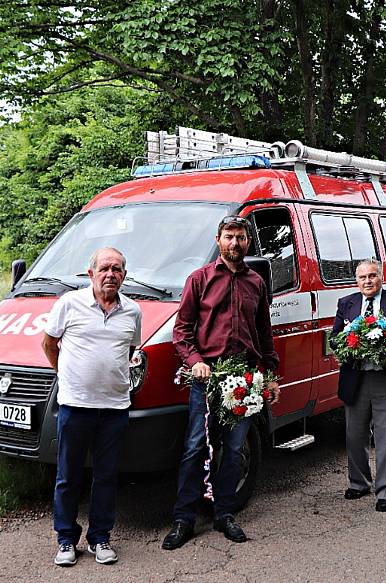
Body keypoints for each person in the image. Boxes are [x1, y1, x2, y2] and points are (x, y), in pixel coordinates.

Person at [162, 215, 280, 550]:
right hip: (207, 378)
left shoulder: (256, 282)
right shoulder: (198, 280)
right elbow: (181, 332)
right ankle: (184, 518)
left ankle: (224, 512)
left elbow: (264, 334)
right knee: (195, 447)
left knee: (234, 448)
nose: (235, 243)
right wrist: (196, 362)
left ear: (248, 242)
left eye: (241, 237)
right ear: (218, 240)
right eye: (229, 236)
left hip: (244, 378)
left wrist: (269, 375)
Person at [41, 247, 142, 566]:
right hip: (75, 406)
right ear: (91, 273)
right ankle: (66, 540)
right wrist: (67, 374)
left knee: (107, 476)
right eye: (104, 269)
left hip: (114, 408)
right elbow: (48, 343)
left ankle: (100, 538)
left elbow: (129, 349)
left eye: (117, 269)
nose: (110, 274)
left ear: (124, 276)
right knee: (68, 476)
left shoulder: (133, 311)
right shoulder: (69, 304)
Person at [330, 258, 386, 512]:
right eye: (362, 277)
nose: (367, 281)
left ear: (381, 277)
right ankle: (359, 483)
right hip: (356, 379)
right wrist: (349, 346)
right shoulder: (346, 304)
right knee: (354, 435)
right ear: (356, 281)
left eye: (372, 276)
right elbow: (335, 339)